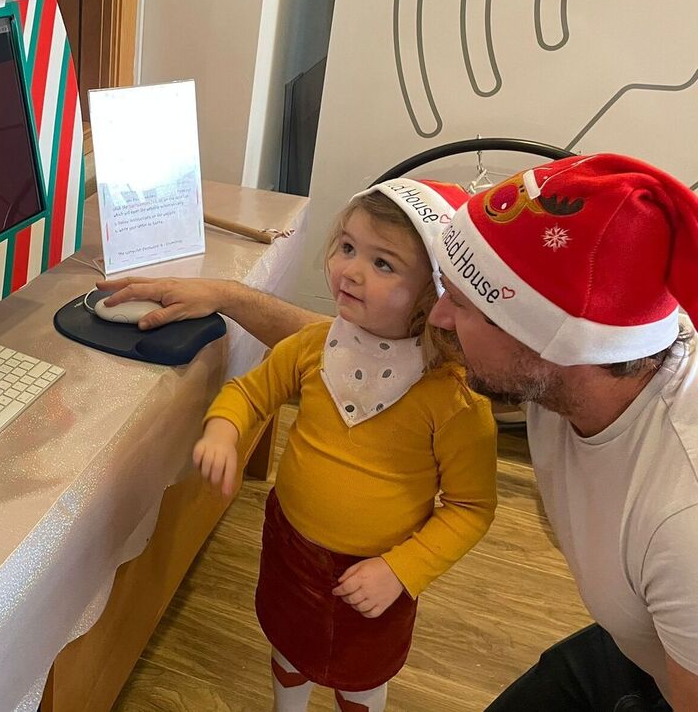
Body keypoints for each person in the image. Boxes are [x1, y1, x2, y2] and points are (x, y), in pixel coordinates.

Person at [100, 153, 698, 711]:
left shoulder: (682, 523)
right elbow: (340, 352)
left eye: (463, 308)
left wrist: (404, 567)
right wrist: (227, 297)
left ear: (551, 341)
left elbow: (466, 499)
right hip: (625, 644)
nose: (436, 320)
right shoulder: (571, 370)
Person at [191, 178, 497, 712]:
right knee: (288, 648)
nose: (350, 270)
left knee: (361, 676)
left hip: (377, 574)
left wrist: (402, 570)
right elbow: (250, 393)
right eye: (348, 247)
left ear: (436, 295)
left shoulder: (453, 400)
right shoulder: (312, 346)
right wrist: (223, 427)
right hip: (291, 548)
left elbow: (471, 508)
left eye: (383, 263)